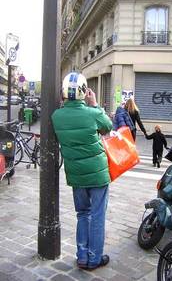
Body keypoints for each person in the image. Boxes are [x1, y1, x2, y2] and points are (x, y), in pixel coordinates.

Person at [52, 72, 113, 270]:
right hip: (97, 173)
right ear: (84, 91)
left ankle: (82, 256)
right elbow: (108, 127)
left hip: (76, 175)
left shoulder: (57, 116)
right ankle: (94, 259)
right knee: (97, 215)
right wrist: (94, 104)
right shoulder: (92, 113)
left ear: (63, 93)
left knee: (82, 214)